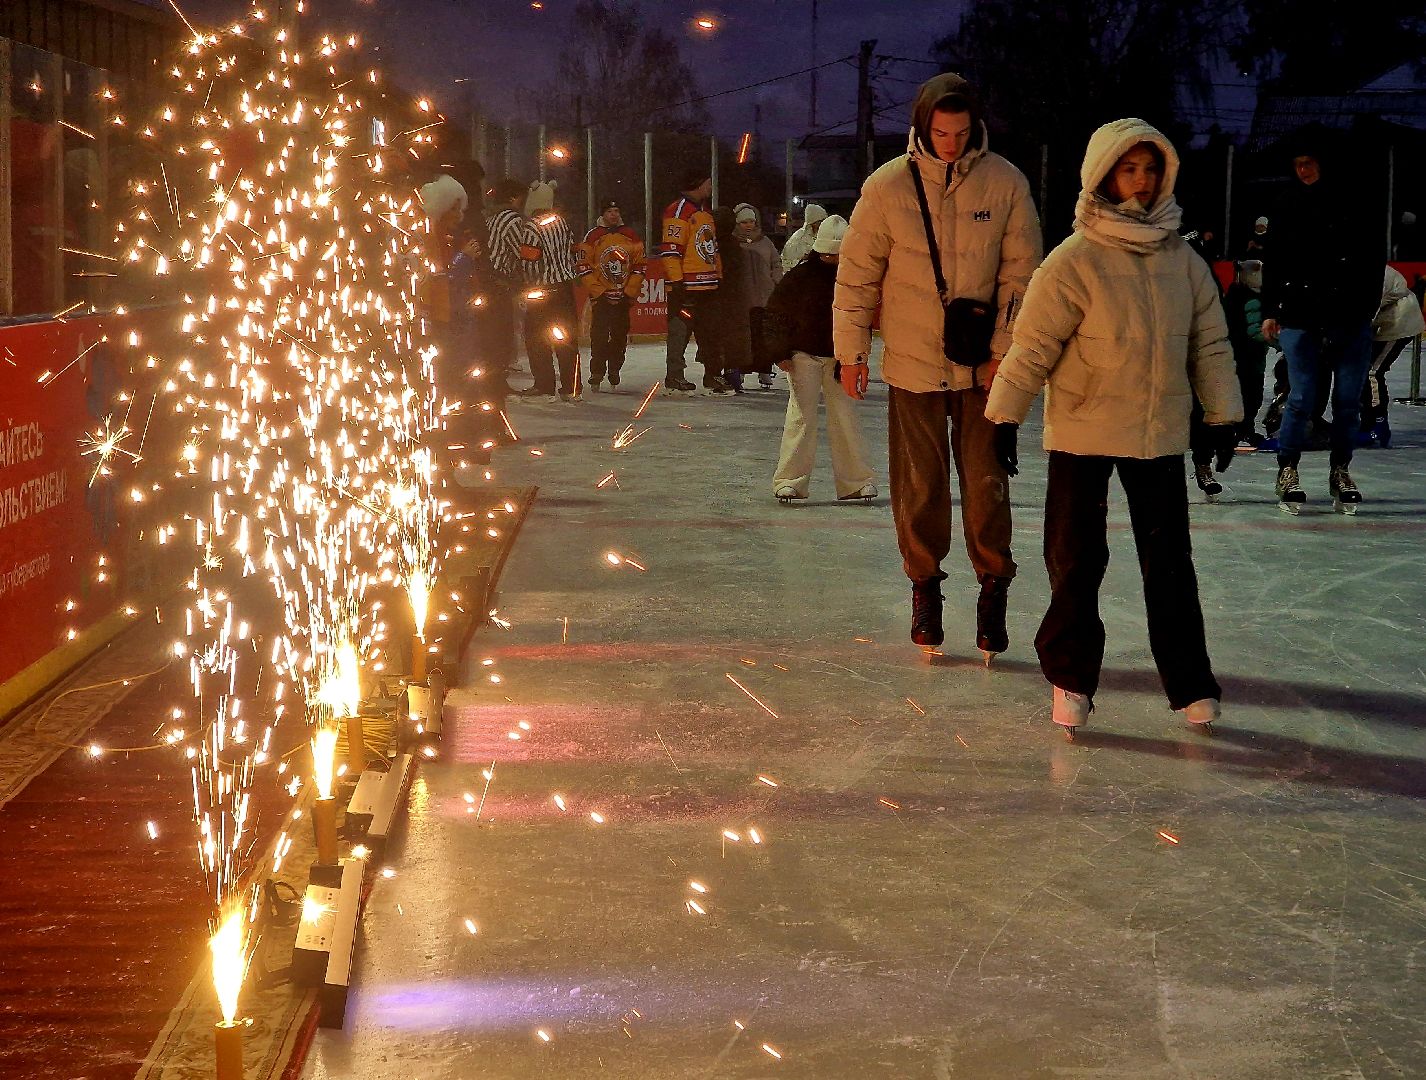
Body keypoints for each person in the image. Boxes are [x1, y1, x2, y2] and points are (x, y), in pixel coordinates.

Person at [985, 118, 1242, 736]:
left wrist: (1222, 414)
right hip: (1083, 431)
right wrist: (1003, 414)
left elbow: (1209, 344)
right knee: (1076, 561)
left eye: (1152, 169)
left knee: (1171, 564)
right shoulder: (1074, 261)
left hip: (1156, 434)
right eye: (1130, 169)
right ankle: (1071, 679)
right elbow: (1033, 346)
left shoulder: (1183, 261)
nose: (1143, 181)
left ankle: (1188, 683)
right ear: (1104, 175)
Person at [834, 72, 1042, 662]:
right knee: (919, 487)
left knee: (986, 483)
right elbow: (856, 279)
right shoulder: (887, 187)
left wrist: (1005, 347)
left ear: (975, 126)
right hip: (913, 366)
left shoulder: (1005, 183)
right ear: (922, 126)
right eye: (939, 132)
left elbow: (1023, 275)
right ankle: (925, 588)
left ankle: (993, 587)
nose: (949, 144)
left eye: (960, 132)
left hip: (983, 369)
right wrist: (852, 353)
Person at [1261, 135, 1383, 514]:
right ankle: (1288, 469)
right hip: (1300, 314)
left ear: (1324, 163)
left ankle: (1340, 470)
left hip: (1348, 318)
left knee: (1347, 403)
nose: (1303, 170)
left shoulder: (1355, 203)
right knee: (1300, 398)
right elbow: (1275, 261)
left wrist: (1364, 310)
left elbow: (1372, 261)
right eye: (1297, 164)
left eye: (1309, 162)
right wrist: (1270, 309)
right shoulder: (1285, 204)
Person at [766, 215, 876, 503]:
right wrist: (780, 351)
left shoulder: (854, 278)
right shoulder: (799, 277)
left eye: (837, 254)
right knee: (801, 417)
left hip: (843, 358)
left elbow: (861, 319)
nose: (832, 259)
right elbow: (776, 315)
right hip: (803, 356)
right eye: (828, 253)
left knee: (846, 419)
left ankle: (856, 481)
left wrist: (858, 356)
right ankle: (789, 480)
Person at [660, 169, 730, 395]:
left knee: (711, 333)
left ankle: (712, 375)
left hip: (708, 287)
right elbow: (671, 250)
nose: (710, 188)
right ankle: (674, 376)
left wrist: (718, 276)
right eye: (708, 183)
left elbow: (712, 250)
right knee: (680, 333)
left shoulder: (705, 213)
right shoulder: (678, 211)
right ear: (698, 184)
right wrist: (677, 282)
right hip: (687, 288)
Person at [521, 180, 582, 402]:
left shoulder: (532, 226)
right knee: (566, 339)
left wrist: (526, 284)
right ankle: (572, 387)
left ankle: (545, 386)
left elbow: (529, 261)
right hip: (564, 289)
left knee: (537, 338)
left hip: (541, 290)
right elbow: (575, 251)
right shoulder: (561, 223)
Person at [577, 198, 646, 392]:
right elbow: (583, 266)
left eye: (616, 211)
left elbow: (640, 264)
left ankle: (614, 369)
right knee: (598, 337)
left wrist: (629, 291)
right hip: (601, 299)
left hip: (623, 298)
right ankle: (596, 372)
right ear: (603, 215)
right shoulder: (593, 236)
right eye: (610, 211)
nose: (613, 214)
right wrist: (599, 292)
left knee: (619, 337)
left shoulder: (630, 235)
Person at [482, 178, 539, 396]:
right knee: (503, 334)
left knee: (493, 334)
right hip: (501, 283)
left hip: (488, 281)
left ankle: (492, 379)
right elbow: (521, 253)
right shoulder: (512, 219)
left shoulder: (491, 217)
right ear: (515, 198)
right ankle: (498, 381)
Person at [1360, 264, 1426, 448]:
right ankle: (1368, 422)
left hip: (1399, 322)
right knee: (1363, 370)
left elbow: (1369, 305)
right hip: (1387, 320)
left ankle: (1378, 424)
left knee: (1372, 372)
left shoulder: (1366, 269)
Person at [698, 206, 755, 393]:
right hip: (728, 299)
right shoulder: (729, 245)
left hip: (716, 297)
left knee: (714, 338)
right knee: (727, 338)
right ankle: (727, 373)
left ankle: (717, 373)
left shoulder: (715, 244)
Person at [734, 203, 784, 389]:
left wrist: (776, 281)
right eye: (744, 222)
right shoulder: (733, 243)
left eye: (751, 222)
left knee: (764, 337)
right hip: (743, 299)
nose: (748, 225)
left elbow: (776, 263)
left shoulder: (765, 242)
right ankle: (740, 374)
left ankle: (764, 371)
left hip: (764, 297)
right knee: (744, 339)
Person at [781, 203, 827, 272]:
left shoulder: (822, 235)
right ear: (813, 222)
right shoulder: (798, 238)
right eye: (820, 221)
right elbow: (788, 261)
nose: (822, 224)